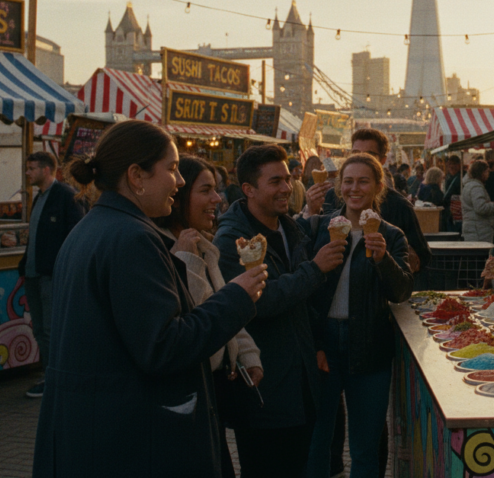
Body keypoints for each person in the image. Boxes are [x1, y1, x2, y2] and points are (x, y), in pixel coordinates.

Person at [32, 120, 266, 477]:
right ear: (136, 176)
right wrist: (236, 297)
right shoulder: (133, 239)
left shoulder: (92, 229)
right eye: (172, 169)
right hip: (137, 441)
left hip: (96, 437)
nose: (180, 181)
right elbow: (163, 346)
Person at [214, 145, 346, 478]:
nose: (287, 188)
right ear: (249, 189)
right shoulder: (233, 241)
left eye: (287, 179)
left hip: (299, 383)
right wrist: (315, 269)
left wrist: (317, 344)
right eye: (275, 181)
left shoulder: (289, 228)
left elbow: (303, 303)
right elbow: (260, 300)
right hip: (264, 390)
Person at [154, 155, 264, 478]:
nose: (218, 199)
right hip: (189, 400)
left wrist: (246, 353)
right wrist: (187, 262)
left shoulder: (202, 243)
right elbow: (197, 324)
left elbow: (220, 302)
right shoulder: (165, 249)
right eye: (206, 190)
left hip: (214, 395)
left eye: (216, 190)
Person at [305, 154, 414, 478]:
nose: (355, 188)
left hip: (369, 348)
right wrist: (314, 344)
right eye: (348, 181)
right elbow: (305, 294)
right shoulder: (318, 228)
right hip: (324, 345)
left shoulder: (391, 236)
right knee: (317, 444)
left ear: (378, 186)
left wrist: (383, 259)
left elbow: (402, 291)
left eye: (363, 181)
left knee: (366, 450)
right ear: (339, 186)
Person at [310, 129, 431, 274]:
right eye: (355, 153)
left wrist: (394, 260)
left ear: (383, 160)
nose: (361, 159)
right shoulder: (332, 197)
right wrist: (311, 211)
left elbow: (420, 256)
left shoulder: (399, 205)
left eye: (369, 154)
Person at [18, 151, 85, 399]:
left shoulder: (65, 196)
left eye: (32, 168)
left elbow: (75, 234)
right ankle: (51, 373)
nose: (28, 172)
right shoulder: (40, 198)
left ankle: (53, 377)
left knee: (50, 327)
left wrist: (61, 266)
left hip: (51, 275)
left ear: (47, 170)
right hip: (34, 273)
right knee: (41, 329)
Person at [461, 160, 494, 243]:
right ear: (482, 172)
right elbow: (480, 208)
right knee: (480, 254)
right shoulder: (476, 187)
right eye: (487, 172)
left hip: (473, 229)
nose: (488, 174)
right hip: (479, 230)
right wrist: (493, 206)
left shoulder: (468, 185)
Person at [442, 155, 463, 232]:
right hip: (451, 212)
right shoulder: (450, 177)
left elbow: (448, 194)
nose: (451, 166)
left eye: (453, 164)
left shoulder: (460, 177)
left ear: (459, 165)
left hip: (457, 212)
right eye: (449, 164)